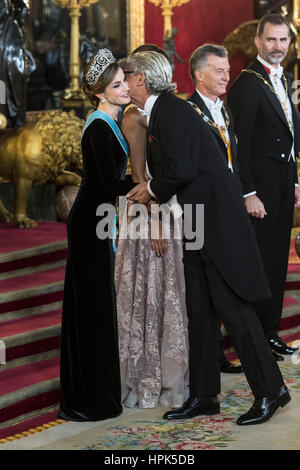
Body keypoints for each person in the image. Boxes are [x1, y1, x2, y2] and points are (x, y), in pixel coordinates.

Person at [125, 50, 290, 426]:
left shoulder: (171, 111)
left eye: (128, 75)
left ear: (140, 80)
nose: (126, 82)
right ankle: (204, 395)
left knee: (234, 308)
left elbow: (179, 169)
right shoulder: (164, 111)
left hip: (217, 223)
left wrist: (150, 189)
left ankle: (271, 390)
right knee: (199, 313)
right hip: (198, 223)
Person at [58, 49, 135, 422]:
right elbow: (108, 185)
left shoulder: (111, 122)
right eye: (117, 85)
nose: (124, 89)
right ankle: (90, 400)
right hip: (91, 224)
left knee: (98, 306)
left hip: (98, 218)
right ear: (101, 93)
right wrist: (150, 185)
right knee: (92, 308)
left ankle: (98, 395)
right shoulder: (100, 126)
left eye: (124, 82)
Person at [115, 44, 189, 409]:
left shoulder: (151, 112)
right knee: (151, 297)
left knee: (162, 295)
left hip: (159, 210)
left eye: (129, 75)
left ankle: (160, 374)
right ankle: (148, 376)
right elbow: (141, 176)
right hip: (150, 216)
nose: (127, 81)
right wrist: (157, 220)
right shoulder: (136, 117)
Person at [228, 13, 300, 357]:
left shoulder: (283, 78)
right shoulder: (246, 82)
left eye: (283, 40)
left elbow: (289, 133)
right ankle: (256, 336)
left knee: (276, 260)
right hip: (259, 187)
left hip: (284, 180)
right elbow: (236, 141)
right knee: (259, 260)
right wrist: (248, 191)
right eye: (271, 40)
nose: (278, 47)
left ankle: (269, 332)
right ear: (257, 42)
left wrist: (296, 179)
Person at [188, 43, 246, 371]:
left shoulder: (223, 110)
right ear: (199, 74)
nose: (227, 76)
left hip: (228, 210)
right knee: (204, 294)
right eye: (219, 71)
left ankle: (219, 354)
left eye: (228, 69)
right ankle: (207, 360)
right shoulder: (188, 113)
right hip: (202, 215)